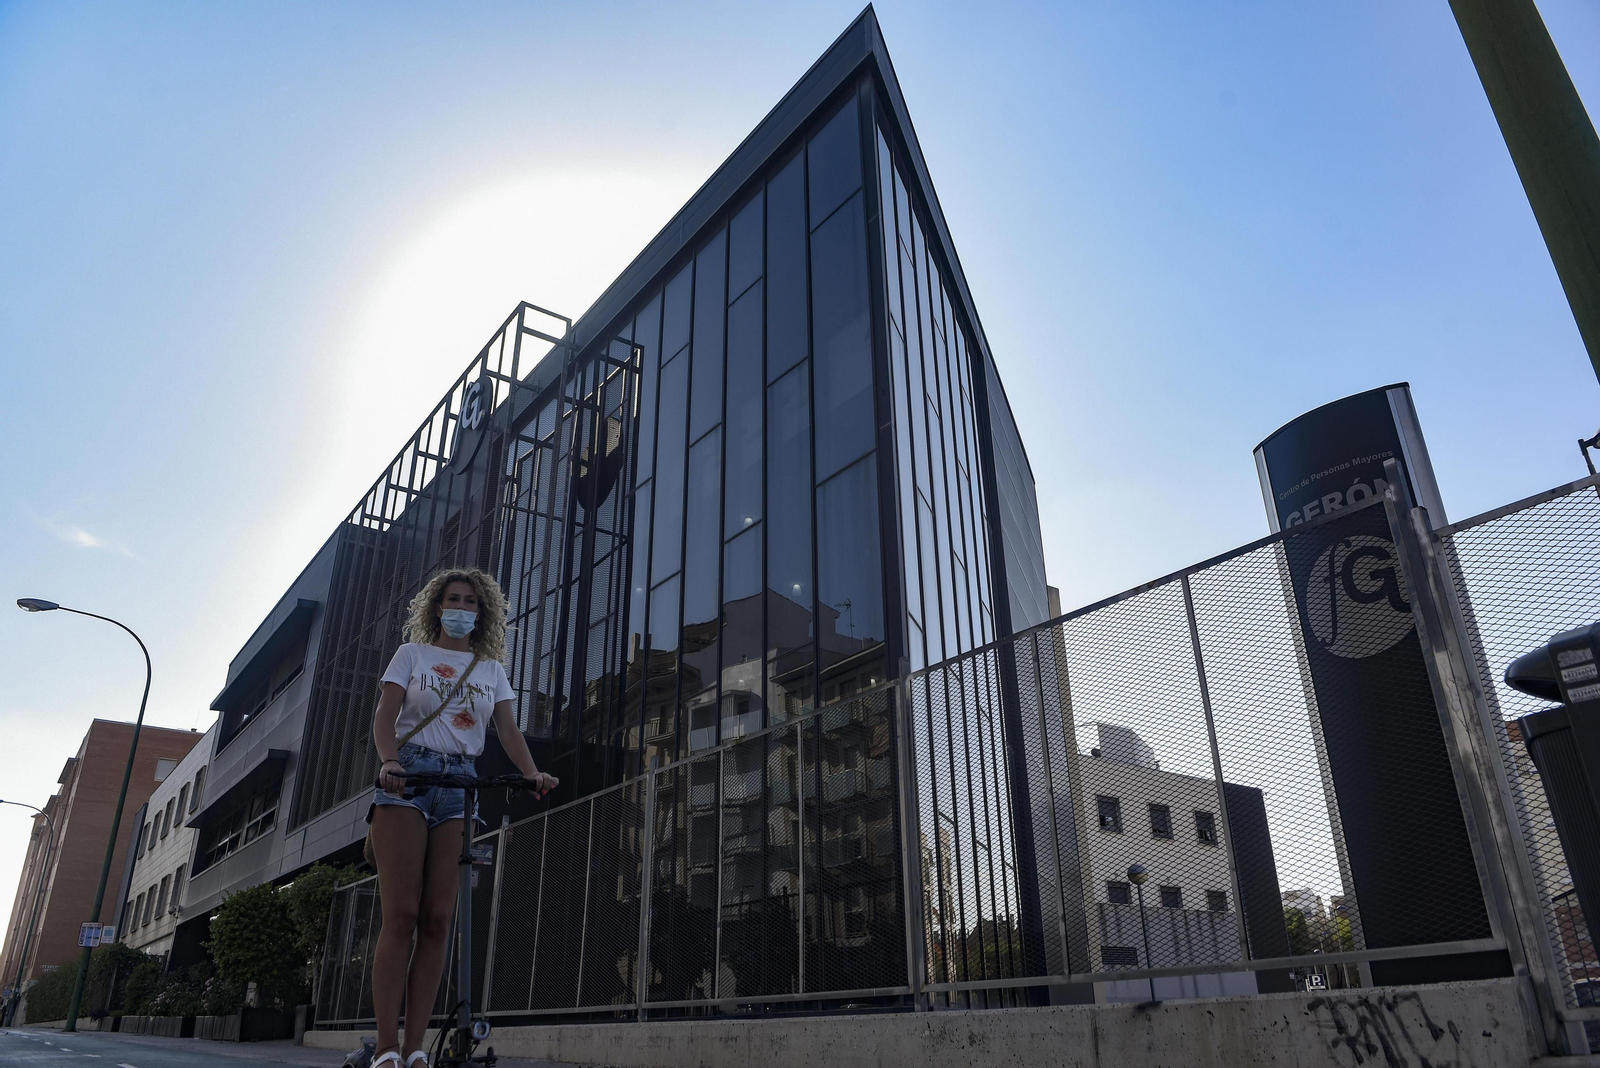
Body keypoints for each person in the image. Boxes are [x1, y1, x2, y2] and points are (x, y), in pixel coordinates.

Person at [367, 567, 556, 1068]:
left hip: (461, 786)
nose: (461, 607)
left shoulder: (490, 669)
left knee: (437, 920)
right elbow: (384, 717)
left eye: (470, 601)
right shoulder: (411, 656)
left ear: (481, 612)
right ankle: (385, 1047)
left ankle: (414, 1050)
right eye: (452, 599)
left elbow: (508, 732)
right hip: (408, 779)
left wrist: (533, 773)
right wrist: (389, 761)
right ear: (436, 607)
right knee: (402, 915)